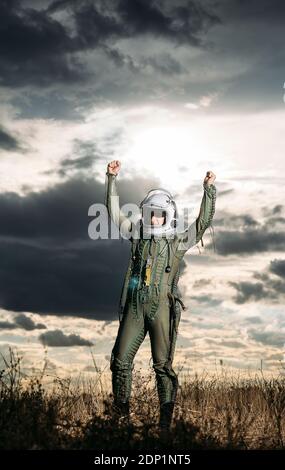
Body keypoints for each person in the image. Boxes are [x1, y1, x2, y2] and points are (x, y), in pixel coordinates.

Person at [105, 160, 216, 431]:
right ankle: (121, 422)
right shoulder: (136, 236)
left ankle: (164, 426)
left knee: (163, 367)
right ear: (145, 214)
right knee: (120, 360)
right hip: (135, 306)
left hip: (161, 308)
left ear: (168, 216)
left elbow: (202, 224)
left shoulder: (177, 243)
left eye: (160, 215)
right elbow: (114, 213)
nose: (155, 218)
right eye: (151, 213)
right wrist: (111, 179)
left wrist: (209, 191)